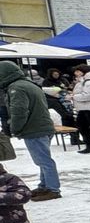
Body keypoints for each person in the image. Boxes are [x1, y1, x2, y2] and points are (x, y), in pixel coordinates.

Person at [0, 61, 62, 201]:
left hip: (34, 129)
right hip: (42, 126)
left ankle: (53, 189)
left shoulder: (16, 88)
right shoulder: (28, 84)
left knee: (44, 161)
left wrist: (15, 128)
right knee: (42, 159)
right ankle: (44, 186)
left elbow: (19, 112)